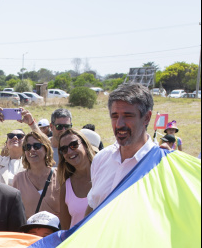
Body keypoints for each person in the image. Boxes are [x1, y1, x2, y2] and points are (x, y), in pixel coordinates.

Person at [87, 84, 157, 212]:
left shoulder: (159, 166)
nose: (119, 124)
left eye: (127, 116)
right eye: (115, 116)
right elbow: (92, 207)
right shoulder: (101, 160)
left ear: (146, 117)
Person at [0, 107, 40, 186]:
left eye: (20, 136)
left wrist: (32, 124)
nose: (15, 137)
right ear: (6, 144)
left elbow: (45, 146)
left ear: (26, 144)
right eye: (11, 136)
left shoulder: (32, 161)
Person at [10, 131, 61, 218]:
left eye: (36, 146)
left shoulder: (60, 175)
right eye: (28, 147)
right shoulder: (19, 179)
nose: (32, 150)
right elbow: (15, 213)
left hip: (58, 231)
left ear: (46, 149)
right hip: (30, 231)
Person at [57, 129, 96, 229]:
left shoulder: (104, 173)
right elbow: (65, 231)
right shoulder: (66, 188)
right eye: (64, 149)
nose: (70, 151)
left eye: (73, 145)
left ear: (85, 145)